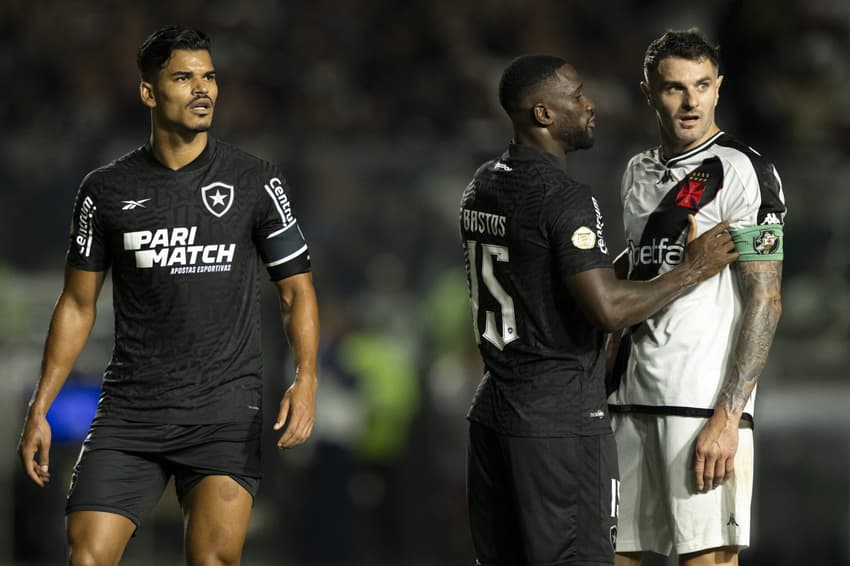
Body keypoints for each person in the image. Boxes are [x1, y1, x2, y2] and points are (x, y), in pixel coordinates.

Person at [16, 25, 319, 566]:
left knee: (212, 560)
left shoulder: (255, 180)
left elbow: (296, 290)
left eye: (209, 77)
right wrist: (41, 406)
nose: (202, 89)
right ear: (148, 93)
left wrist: (307, 376)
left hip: (224, 409)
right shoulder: (105, 190)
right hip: (131, 411)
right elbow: (77, 305)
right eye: (183, 77)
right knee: (85, 557)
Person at [460, 54, 739, 566]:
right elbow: (608, 310)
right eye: (577, 95)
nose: (590, 106)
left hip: (493, 410)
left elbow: (543, 273)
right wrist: (689, 271)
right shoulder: (563, 196)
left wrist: (625, 263)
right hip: (559, 422)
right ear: (543, 114)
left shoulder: (484, 183)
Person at [608, 29, 785, 566]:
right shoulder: (638, 172)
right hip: (627, 401)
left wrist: (728, 417)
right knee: (611, 557)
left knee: (706, 561)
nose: (689, 102)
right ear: (648, 92)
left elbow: (766, 299)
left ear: (719, 88)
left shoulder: (744, 172)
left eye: (702, 86)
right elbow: (642, 270)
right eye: (674, 88)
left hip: (699, 407)